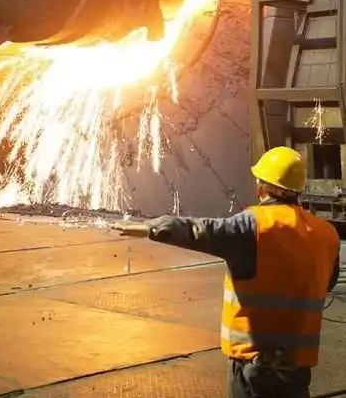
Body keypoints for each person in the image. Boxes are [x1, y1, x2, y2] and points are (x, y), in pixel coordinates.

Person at [112, 146, 340, 398]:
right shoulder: (326, 233)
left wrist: (152, 228)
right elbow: (326, 282)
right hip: (296, 366)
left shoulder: (253, 226)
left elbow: (202, 230)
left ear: (263, 188)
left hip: (254, 364)